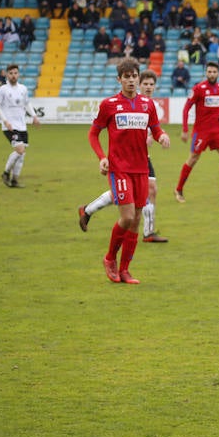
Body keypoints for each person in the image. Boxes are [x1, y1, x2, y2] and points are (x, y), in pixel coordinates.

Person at [87, 58, 170, 284]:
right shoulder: (109, 104)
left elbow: (155, 127)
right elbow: (93, 134)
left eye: (134, 76)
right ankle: (109, 258)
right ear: (119, 79)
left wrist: (162, 136)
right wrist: (102, 157)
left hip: (141, 169)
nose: (131, 80)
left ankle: (125, 270)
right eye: (127, 77)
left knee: (136, 221)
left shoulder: (147, 104)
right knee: (127, 217)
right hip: (119, 169)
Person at [174, 61, 219, 202]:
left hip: (217, 130)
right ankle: (179, 189)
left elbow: (216, 105)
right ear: (206, 73)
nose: (212, 74)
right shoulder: (198, 89)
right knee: (193, 159)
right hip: (201, 131)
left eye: (214, 72)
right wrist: (185, 130)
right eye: (209, 72)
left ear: (218, 73)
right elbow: (186, 108)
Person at [0, 64, 39, 188]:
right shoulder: (2, 89)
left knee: (22, 154)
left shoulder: (23, 89)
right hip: (9, 126)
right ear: (7, 75)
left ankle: (14, 180)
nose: (13, 75)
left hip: (22, 125)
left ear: (18, 74)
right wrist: (5, 120)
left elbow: (27, 103)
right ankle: (6, 173)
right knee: (20, 150)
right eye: (11, 73)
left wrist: (34, 116)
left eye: (15, 73)